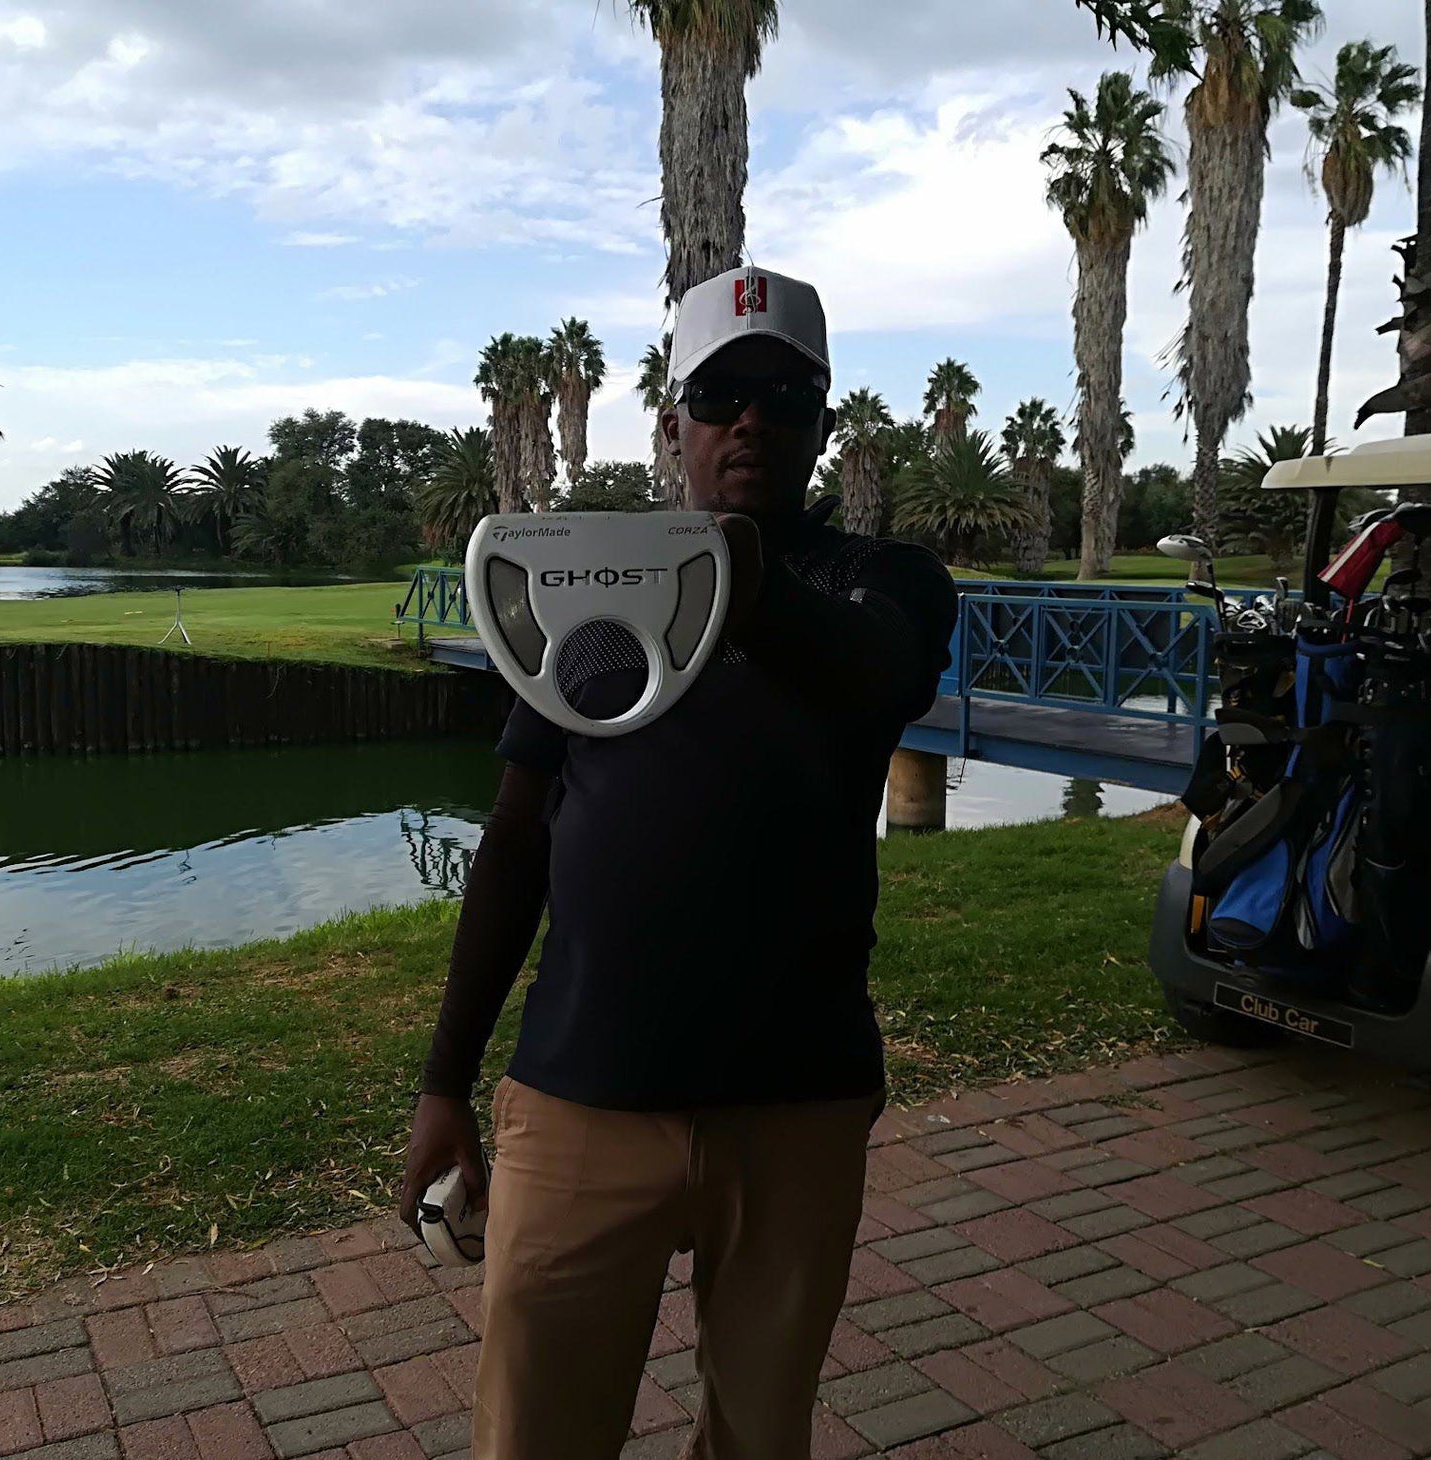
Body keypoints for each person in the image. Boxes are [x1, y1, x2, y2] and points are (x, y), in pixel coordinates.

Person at [398, 264, 958, 1459]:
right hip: (579, 1092)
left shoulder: (882, 582)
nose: (747, 417)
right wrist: (446, 1077)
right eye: (717, 393)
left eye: (779, 394)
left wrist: (731, 578)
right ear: (674, 423)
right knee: (534, 1432)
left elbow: (874, 674)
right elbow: (515, 837)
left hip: (797, 1099)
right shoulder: (593, 598)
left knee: (759, 1433)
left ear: (818, 422)